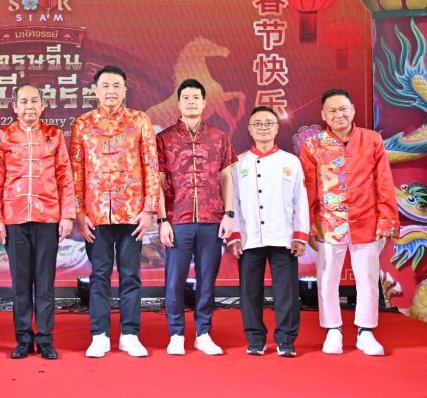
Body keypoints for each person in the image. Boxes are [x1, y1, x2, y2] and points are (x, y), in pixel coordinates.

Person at [299, 88, 399, 356]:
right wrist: (307, 224)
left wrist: (387, 220)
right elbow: (307, 187)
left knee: (367, 278)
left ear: (353, 110)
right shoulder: (313, 145)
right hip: (326, 224)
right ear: (323, 115)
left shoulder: (372, 139)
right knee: (327, 277)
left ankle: (366, 331)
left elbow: (384, 182)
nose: (339, 114)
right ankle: (333, 329)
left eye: (343, 108)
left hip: (367, 220)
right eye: (332, 110)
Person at [70, 65, 160, 358]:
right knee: (98, 275)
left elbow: (151, 165)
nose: (111, 90)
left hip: (132, 214)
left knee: (131, 275)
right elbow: (77, 170)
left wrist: (149, 210)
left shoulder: (140, 120)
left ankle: (130, 334)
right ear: (95, 90)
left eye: (116, 85)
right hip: (95, 215)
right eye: (105, 85)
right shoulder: (83, 123)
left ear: (125, 90)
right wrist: (79, 212)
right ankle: (99, 334)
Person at [0, 84, 75, 360]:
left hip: (47, 217)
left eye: (34, 101)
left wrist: (68, 215)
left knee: (46, 283)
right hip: (14, 219)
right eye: (23, 102)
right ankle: (24, 338)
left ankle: (46, 339)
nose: (29, 106)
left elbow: (65, 176)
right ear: (14, 107)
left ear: (42, 105)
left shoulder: (54, 135)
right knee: (21, 283)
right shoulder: (2, 137)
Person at [156, 78, 237, 356]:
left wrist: (228, 214)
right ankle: (176, 333)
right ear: (178, 103)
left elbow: (226, 177)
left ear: (205, 102)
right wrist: (162, 219)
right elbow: (159, 181)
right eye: (186, 98)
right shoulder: (164, 138)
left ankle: (203, 332)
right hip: (177, 221)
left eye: (196, 98)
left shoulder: (219, 136)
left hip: (212, 219)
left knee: (207, 280)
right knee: (174, 281)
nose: (191, 102)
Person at [227, 106, 309, 357]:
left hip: (283, 237)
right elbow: (234, 202)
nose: (263, 128)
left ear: (276, 127)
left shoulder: (290, 161)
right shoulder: (238, 163)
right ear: (250, 130)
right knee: (249, 291)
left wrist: (300, 235)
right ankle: (255, 338)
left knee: (286, 292)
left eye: (268, 123)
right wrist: (234, 235)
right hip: (250, 238)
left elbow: (300, 200)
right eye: (258, 124)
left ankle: (286, 339)